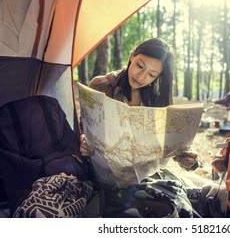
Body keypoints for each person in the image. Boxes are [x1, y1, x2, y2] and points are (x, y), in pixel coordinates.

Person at [79, 38, 201, 186]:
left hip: (147, 177)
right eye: (140, 65)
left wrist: (189, 160)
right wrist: (83, 140)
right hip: (107, 177)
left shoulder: (157, 99)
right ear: (132, 56)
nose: (141, 77)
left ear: (158, 77)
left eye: (152, 75)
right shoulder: (101, 85)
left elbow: (167, 146)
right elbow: (83, 127)